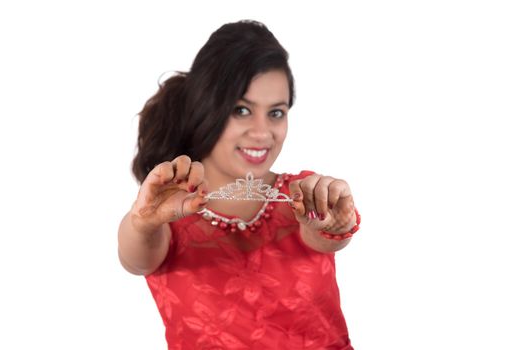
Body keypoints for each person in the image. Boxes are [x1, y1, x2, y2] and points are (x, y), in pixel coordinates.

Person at [118, 20, 360, 350]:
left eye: (276, 113)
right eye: (242, 110)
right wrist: (142, 223)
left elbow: (323, 236)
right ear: (207, 107)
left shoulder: (301, 195)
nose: (262, 133)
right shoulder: (165, 210)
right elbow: (136, 258)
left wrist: (334, 221)